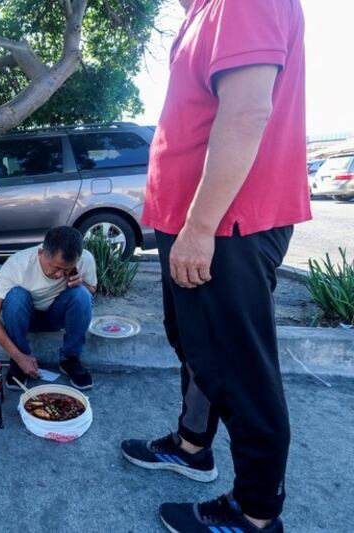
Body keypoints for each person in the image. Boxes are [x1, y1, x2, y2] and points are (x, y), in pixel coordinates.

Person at [120, 1, 310, 532]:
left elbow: (248, 111)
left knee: (240, 372)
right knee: (199, 349)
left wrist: (201, 227)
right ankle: (191, 446)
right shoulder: (201, 12)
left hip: (228, 226)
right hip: (197, 224)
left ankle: (255, 514)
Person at [0, 226, 97, 391]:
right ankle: (19, 360)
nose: (60, 274)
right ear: (41, 253)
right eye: (56, 267)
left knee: (81, 294)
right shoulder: (18, 264)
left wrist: (81, 283)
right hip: (26, 317)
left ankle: (70, 359)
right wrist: (19, 357)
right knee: (16, 296)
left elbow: (92, 292)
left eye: (67, 269)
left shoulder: (85, 258)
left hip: (57, 316)